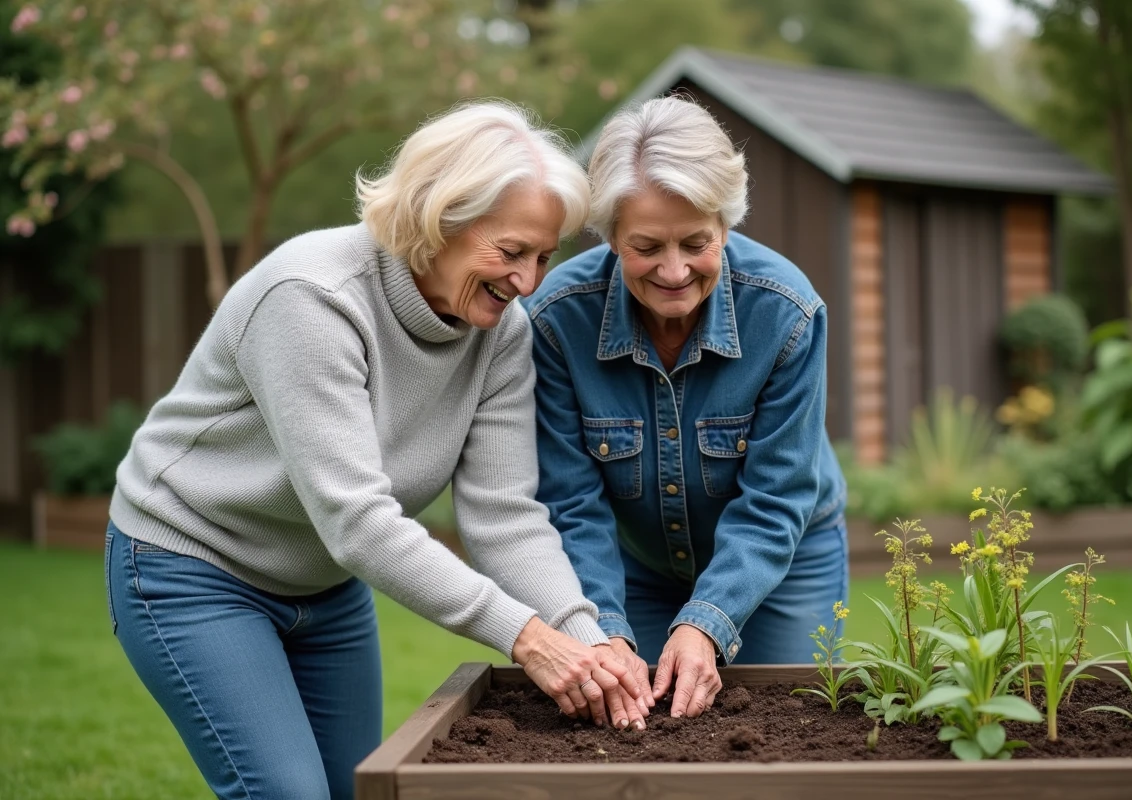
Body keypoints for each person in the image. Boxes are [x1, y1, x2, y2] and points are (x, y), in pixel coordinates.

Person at [103, 101, 641, 800]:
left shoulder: (501, 333)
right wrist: (527, 638)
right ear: (435, 217)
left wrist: (584, 635)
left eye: (544, 256)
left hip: (324, 583)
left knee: (362, 792)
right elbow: (357, 520)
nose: (528, 283)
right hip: (194, 568)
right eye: (510, 253)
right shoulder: (313, 297)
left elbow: (504, 516)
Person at [525, 96, 849, 728]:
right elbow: (570, 503)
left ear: (725, 228)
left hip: (783, 557)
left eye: (696, 243)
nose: (674, 272)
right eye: (646, 246)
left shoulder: (785, 312)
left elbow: (777, 497)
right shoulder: (559, 321)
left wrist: (707, 622)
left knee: (789, 730)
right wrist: (604, 630)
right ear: (611, 235)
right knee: (635, 727)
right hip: (635, 563)